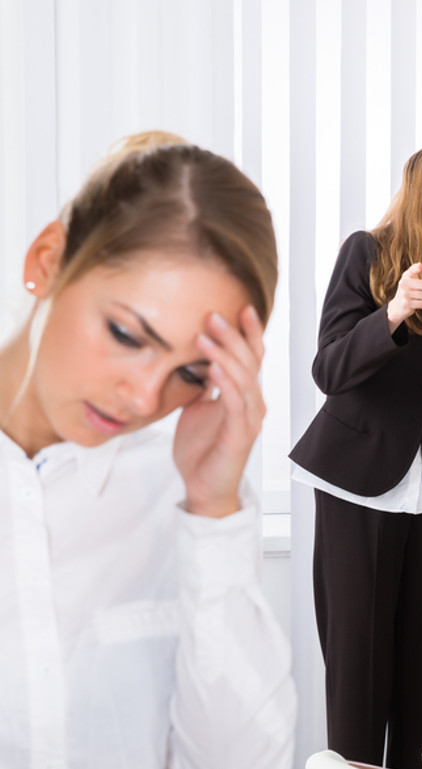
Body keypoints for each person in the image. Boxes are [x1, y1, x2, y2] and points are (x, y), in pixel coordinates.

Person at [0, 132, 295, 768]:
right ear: (48, 259)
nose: (141, 397)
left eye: (191, 373)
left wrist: (214, 509)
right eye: (127, 333)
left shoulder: (184, 499)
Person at [289, 141, 422, 769]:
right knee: (357, 675)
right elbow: (328, 369)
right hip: (358, 487)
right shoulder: (369, 252)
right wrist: (393, 313)